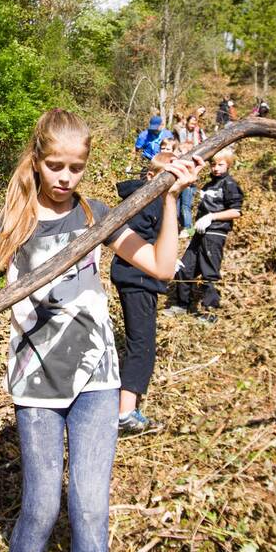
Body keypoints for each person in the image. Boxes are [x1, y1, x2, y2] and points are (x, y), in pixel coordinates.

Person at [0, 109, 204, 552]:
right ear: (37, 160)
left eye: (75, 167)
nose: (65, 176)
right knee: (41, 508)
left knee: (91, 510)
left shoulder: (96, 214)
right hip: (36, 379)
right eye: (56, 165)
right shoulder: (16, 223)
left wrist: (174, 198)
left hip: (97, 375)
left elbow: (160, 266)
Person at [111, 152, 175, 435]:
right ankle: (125, 412)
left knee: (141, 342)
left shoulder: (153, 202)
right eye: (163, 177)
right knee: (142, 345)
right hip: (137, 279)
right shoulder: (143, 203)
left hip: (142, 278)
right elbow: (133, 238)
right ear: (150, 177)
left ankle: (127, 406)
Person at [163, 148, 243, 324]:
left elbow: (236, 211)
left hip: (215, 233)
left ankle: (210, 312)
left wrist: (212, 217)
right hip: (199, 233)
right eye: (213, 164)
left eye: (220, 164)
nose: (216, 168)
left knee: (209, 272)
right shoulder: (208, 184)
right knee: (185, 268)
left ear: (228, 165)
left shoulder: (229, 185)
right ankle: (181, 305)